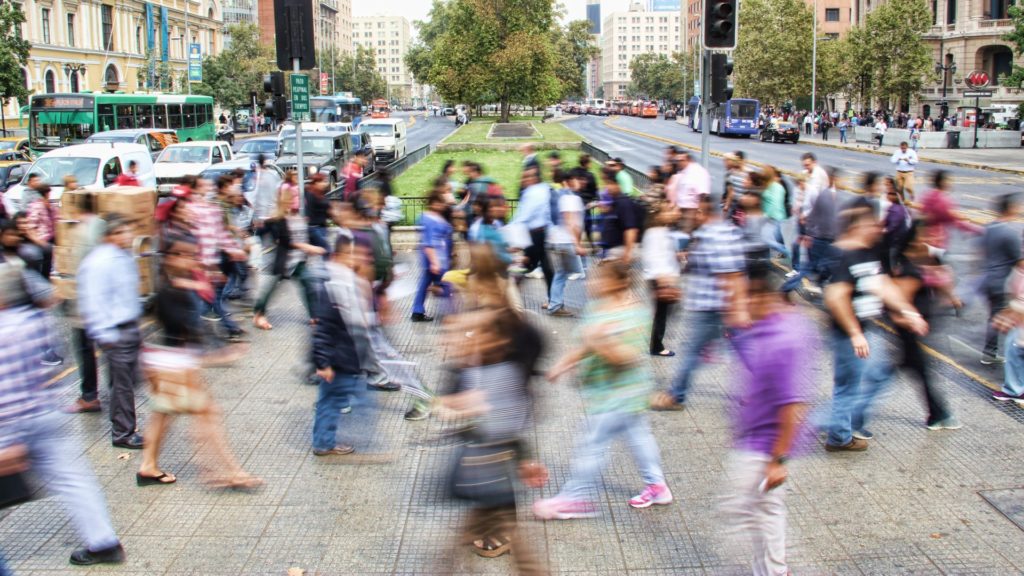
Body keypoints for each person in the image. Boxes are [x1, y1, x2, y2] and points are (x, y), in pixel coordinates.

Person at [0, 263, 127, 566]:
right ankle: (104, 541)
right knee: (75, 479)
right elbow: (55, 363)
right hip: (47, 413)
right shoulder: (38, 320)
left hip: (16, 423)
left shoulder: (3, 330)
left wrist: (9, 441)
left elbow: (5, 393)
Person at [534, 260, 672, 519]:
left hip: (620, 393)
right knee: (639, 436)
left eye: (600, 279)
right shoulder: (596, 307)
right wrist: (563, 365)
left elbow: (628, 357)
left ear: (619, 282)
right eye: (593, 277)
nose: (592, 282)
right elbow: (586, 344)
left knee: (592, 443)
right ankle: (657, 486)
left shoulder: (634, 314)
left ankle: (576, 498)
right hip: (609, 390)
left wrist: (601, 341)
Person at [436, 276, 547, 573]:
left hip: (494, 467)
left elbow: (511, 422)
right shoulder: (472, 369)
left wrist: (526, 460)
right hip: (478, 467)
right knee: (473, 535)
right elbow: (456, 402)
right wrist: (453, 406)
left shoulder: (507, 372)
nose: (471, 340)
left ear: (497, 340)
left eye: (479, 335)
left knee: (492, 536)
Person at [137, 238, 262, 489]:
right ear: (170, 259)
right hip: (174, 366)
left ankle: (148, 466)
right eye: (183, 254)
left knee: (163, 416)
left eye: (193, 255)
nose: (191, 260)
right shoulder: (171, 291)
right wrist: (219, 356)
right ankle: (227, 472)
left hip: (166, 362)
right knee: (207, 415)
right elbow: (186, 331)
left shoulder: (179, 287)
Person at [721, 258, 813, 576]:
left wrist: (779, 460)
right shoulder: (778, 324)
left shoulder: (781, 341)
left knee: (740, 514)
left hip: (764, 446)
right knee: (767, 513)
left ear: (760, 297)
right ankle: (776, 570)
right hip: (758, 438)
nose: (737, 304)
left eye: (741, 297)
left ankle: (776, 570)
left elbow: (794, 406)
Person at [823, 205, 928, 452]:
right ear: (858, 227)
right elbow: (836, 296)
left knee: (879, 375)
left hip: (866, 329)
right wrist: (855, 333)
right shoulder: (843, 255)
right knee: (848, 387)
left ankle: (845, 424)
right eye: (872, 224)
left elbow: (883, 285)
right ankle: (837, 435)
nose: (878, 228)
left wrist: (909, 312)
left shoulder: (867, 253)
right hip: (850, 334)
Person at [856, 223, 961, 434]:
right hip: (911, 333)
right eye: (928, 235)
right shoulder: (909, 270)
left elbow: (939, 279)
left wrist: (948, 294)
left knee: (911, 372)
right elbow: (897, 306)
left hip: (914, 334)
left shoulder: (918, 262)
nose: (934, 239)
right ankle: (853, 417)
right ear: (916, 239)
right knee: (891, 375)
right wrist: (913, 322)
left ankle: (938, 414)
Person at [652, 193, 747, 411]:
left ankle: (676, 396)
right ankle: (761, 393)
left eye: (696, 211)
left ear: (704, 212)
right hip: (713, 306)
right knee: (742, 351)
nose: (692, 214)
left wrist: (735, 309)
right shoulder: (717, 232)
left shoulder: (716, 235)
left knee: (692, 351)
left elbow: (730, 275)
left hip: (713, 308)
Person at [77, 214, 145, 449]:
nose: (127, 236)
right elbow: (93, 301)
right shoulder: (99, 262)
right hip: (115, 332)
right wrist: (106, 336)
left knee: (128, 382)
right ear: (109, 236)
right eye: (121, 232)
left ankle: (124, 425)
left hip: (129, 327)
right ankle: (123, 433)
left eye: (128, 231)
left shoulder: (124, 256)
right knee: (122, 386)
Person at [252, 188, 325, 330]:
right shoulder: (278, 219)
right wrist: (307, 247)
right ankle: (258, 314)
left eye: (297, 197)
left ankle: (314, 315)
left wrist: (314, 248)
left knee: (308, 284)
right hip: (284, 261)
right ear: (285, 201)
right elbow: (284, 240)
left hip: (298, 261)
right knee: (271, 289)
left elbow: (306, 235)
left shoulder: (299, 218)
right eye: (293, 198)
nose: (297, 200)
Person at [65, 192, 106, 414]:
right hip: (104, 303)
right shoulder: (103, 225)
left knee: (84, 348)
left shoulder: (80, 231)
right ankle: (115, 388)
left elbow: (78, 270)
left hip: (86, 304)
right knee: (106, 346)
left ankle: (89, 396)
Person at [981, 193, 1022, 365]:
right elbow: (1020, 262)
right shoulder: (1010, 233)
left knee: (995, 317)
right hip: (1002, 282)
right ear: (1011, 208)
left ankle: (990, 352)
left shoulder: (989, 227)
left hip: (988, 278)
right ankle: (995, 353)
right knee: (1007, 317)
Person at [642, 202, 681, 357]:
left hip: (664, 278)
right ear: (658, 215)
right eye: (668, 211)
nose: (672, 213)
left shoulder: (661, 231)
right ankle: (657, 346)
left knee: (664, 312)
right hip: (660, 279)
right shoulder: (655, 233)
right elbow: (654, 258)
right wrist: (663, 282)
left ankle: (657, 342)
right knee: (662, 314)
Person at [411, 185, 454, 322]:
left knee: (425, 284)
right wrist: (435, 261)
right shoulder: (430, 219)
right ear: (433, 203)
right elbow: (428, 242)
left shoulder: (429, 217)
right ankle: (450, 312)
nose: (442, 205)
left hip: (436, 257)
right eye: (439, 202)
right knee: (446, 284)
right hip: (436, 258)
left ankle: (418, 310)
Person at [546, 173, 585, 317]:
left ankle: (554, 304)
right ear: (570, 181)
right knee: (579, 273)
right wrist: (577, 244)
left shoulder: (560, 196)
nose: (580, 182)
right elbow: (571, 222)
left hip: (554, 240)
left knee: (560, 273)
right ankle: (557, 305)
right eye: (577, 178)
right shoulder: (571, 198)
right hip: (566, 242)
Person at [512, 166, 554, 300]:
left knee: (530, 265)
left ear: (535, 178)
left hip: (534, 234)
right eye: (524, 177)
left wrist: (512, 229)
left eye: (528, 177)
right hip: (538, 233)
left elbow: (524, 215)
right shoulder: (544, 189)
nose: (524, 180)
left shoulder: (533, 192)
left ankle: (509, 292)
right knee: (540, 267)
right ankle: (553, 299)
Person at [597, 167, 640, 262]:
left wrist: (627, 253)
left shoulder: (624, 203)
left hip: (620, 251)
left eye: (610, 184)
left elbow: (631, 229)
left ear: (618, 184)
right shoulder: (615, 202)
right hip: (614, 250)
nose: (607, 187)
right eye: (606, 183)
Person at [305, 172, 332, 253]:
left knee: (318, 252)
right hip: (314, 227)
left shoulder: (321, 194)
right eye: (322, 182)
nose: (324, 184)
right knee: (327, 251)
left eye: (324, 181)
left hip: (322, 227)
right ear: (315, 183)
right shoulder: (311, 194)